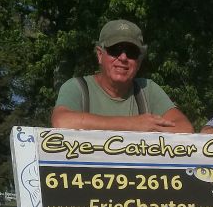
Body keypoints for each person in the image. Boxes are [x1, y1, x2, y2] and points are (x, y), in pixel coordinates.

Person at [51, 19, 192, 133]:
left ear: (139, 61)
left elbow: (184, 128)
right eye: (115, 50)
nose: (123, 57)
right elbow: (62, 121)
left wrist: (151, 127)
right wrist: (133, 124)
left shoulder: (148, 89)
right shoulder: (77, 87)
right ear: (100, 55)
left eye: (131, 52)